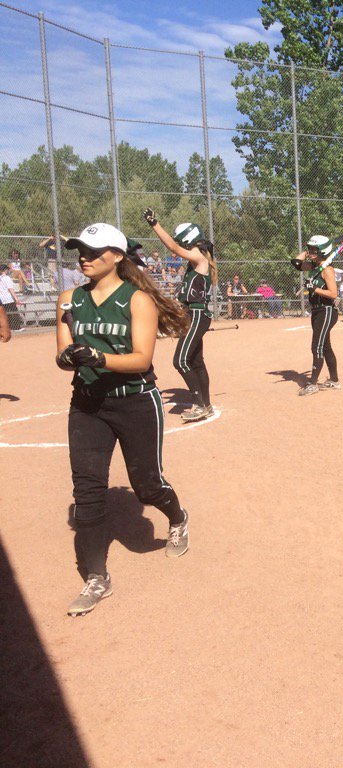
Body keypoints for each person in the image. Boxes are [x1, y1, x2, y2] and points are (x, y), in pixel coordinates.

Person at [56, 223, 193, 617]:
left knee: (147, 486)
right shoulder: (69, 299)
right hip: (86, 404)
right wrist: (69, 357)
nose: (84, 256)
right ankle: (97, 578)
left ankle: (178, 517)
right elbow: (63, 352)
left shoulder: (137, 300)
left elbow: (141, 360)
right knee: (87, 492)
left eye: (93, 251)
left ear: (116, 256)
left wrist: (99, 358)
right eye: (80, 249)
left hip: (134, 401)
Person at [143, 207, 217, 422]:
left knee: (181, 361)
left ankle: (200, 404)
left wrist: (154, 224)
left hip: (196, 315)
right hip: (192, 315)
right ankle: (206, 404)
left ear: (189, 240)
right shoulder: (197, 260)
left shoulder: (199, 257)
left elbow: (173, 246)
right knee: (196, 361)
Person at [292, 236, 340, 395]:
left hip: (326, 310)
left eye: (314, 249)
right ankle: (334, 380)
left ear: (322, 251)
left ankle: (312, 383)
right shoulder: (313, 266)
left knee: (317, 347)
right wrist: (306, 253)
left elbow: (333, 293)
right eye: (310, 249)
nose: (311, 252)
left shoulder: (327, 269)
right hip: (317, 311)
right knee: (325, 347)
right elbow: (296, 263)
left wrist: (315, 289)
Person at [0, 264, 23, 332]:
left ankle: (8, 327)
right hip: (8, 298)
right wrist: (16, 299)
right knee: (14, 312)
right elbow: (11, 289)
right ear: (4, 270)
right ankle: (16, 328)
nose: (8, 270)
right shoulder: (6, 278)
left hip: (2, 299)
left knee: (6, 313)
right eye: (7, 269)